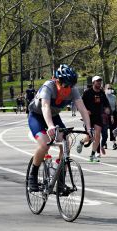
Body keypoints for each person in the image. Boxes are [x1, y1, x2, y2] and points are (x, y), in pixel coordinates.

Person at [27, 64, 92, 192]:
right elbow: (45, 107)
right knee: (45, 144)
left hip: (54, 116)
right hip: (37, 116)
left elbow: (83, 110)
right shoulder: (48, 87)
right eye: (66, 85)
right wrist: (50, 126)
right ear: (57, 81)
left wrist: (88, 129)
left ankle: (60, 180)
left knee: (66, 143)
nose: (68, 88)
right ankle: (32, 176)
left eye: (71, 85)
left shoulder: (73, 90)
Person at [77, 75, 111, 162]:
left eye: (100, 81)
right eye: (97, 81)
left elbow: (106, 103)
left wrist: (107, 109)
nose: (99, 83)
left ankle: (92, 155)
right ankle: (82, 142)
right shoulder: (87, 92)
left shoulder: (102, 93)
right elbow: (80, 104)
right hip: (88, 117)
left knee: (97, 135)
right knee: (90, 137)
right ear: (93, 83)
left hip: (98, 116)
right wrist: (86, 111)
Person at [102, 84, 117, 151]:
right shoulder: (103, 97)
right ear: (105, 89)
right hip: (105, 115)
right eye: (108, 88)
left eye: (110, 88)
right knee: (105, 129)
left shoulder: (114, 97)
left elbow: (116, 106)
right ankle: (104, 143)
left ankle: (114, 143)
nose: (109, 89)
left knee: (113, 129)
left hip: (113, 114)